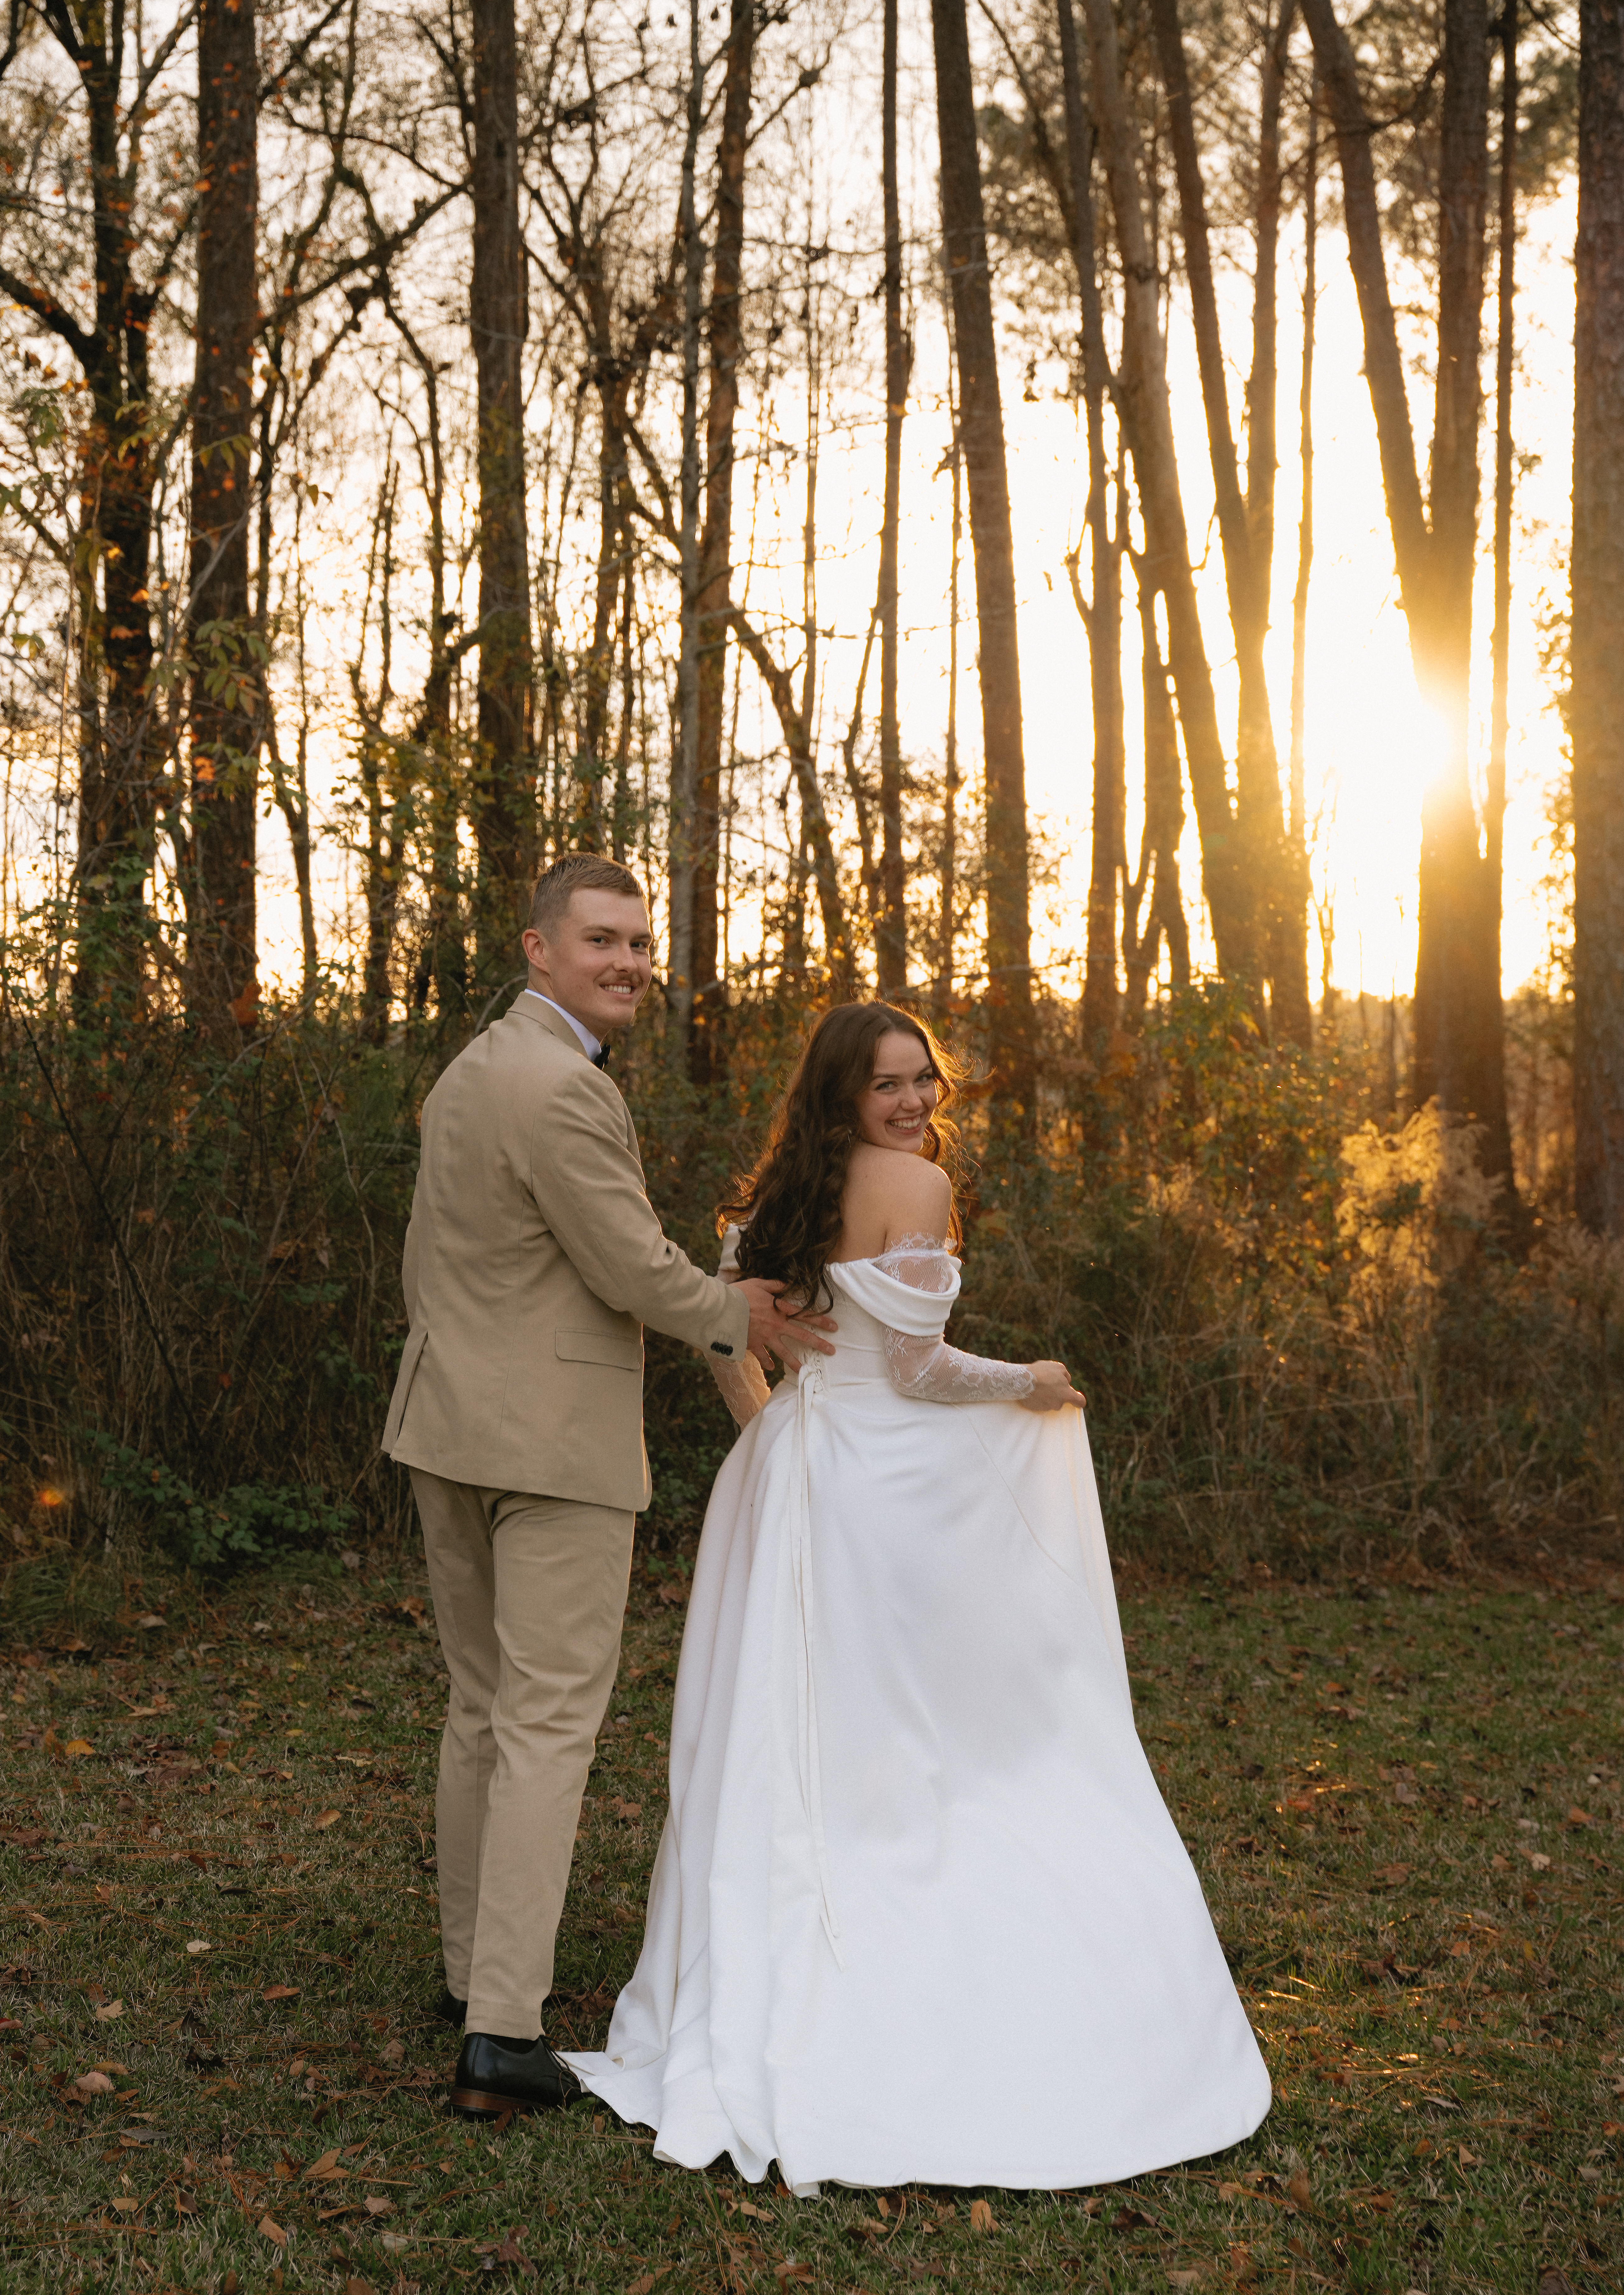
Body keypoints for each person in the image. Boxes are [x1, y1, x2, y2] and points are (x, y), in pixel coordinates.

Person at [566, 1001, 1270, 2192]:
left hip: (791, 1478)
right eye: (887, 1084)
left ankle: (795, 1939)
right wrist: (1035, 1379)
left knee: (811, 1728)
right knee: (931, 1730)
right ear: (845, 1091)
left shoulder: (792, 1183)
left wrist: (774, 1428)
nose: (912, 1103)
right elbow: (922, 1368)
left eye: (923, 1081)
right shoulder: (916, 1188)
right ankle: (896, 1942)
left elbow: (721, 1321)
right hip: (883, 1487)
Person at [381, 854, 833, 2121]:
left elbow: (458, 1257)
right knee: (546, 1722)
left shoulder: (472, 1070)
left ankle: (476, 1972)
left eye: (640, 940)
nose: (630, 960)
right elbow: (631, 1265)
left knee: (483, 1704)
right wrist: (734, 1314)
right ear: (538, 948)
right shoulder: (561, 1089)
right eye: (602, 940)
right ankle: (503, 2033)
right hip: (550, 1446)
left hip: (449, 1425)